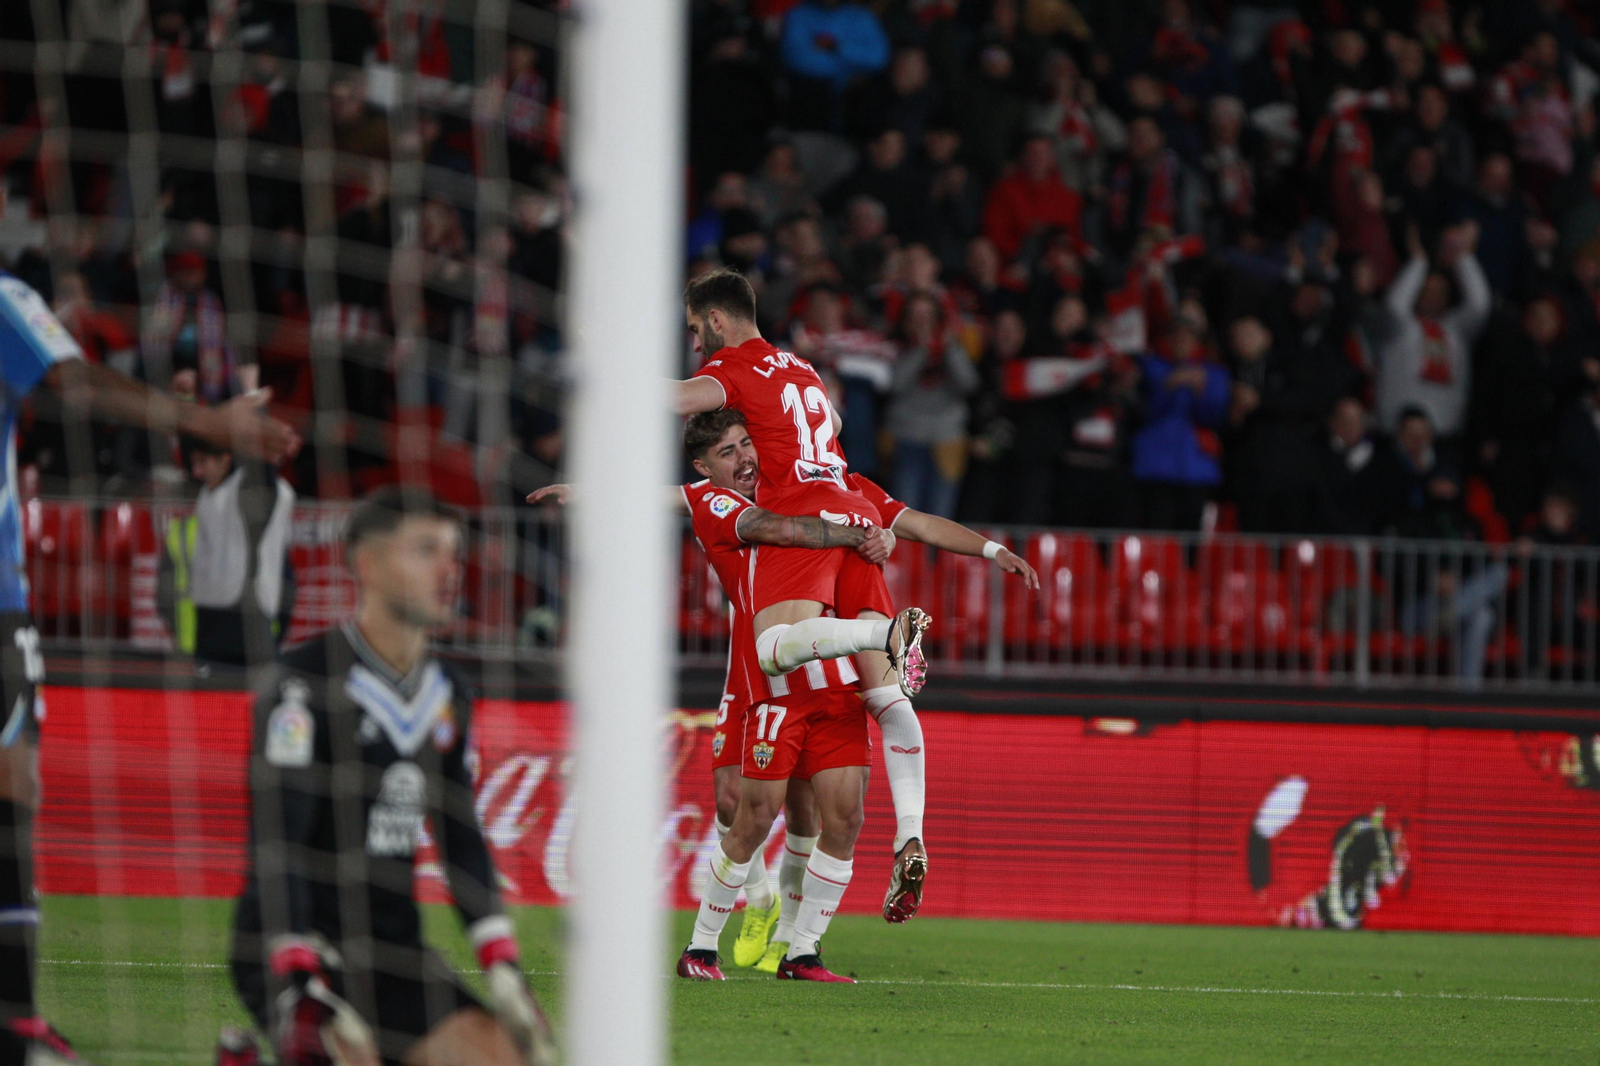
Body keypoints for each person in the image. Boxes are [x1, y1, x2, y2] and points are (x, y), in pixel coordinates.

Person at [0, 263, 298, 1065]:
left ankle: (16, 1019)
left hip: (226, 650)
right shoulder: (6, 299)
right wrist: (208, 422)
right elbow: (70, 380)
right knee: (11, 787)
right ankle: (16, 1022)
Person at [228, 488, 555, 1066]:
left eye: (453, 553)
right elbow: (279, 842)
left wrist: (499, 960)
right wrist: (298, 968)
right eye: (425, 550)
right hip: (292, 940)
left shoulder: (448, 692)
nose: (448, 570)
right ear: (368, 565)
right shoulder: (303, 684)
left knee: (507, 1056)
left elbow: (458, 833)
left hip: (391, 951)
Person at [675, 269, 936, 911]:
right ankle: (910, 833)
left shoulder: (735, 370)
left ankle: (754, 928)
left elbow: (678, 400)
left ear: (713, 320)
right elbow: (840, 426)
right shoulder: (803, 371)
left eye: (692, 329)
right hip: (846, 508)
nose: (694, 342)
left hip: (803, 538)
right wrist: (993, 550)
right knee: (884, 693)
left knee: (774, 658)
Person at [160, 439, 296, 668]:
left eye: (203, 462)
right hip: (209, 627)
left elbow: (287, 580)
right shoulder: (209, 496)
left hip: (246, 629)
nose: (197, 472)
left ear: (225, 460)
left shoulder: (251, 492)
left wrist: (255, 420)